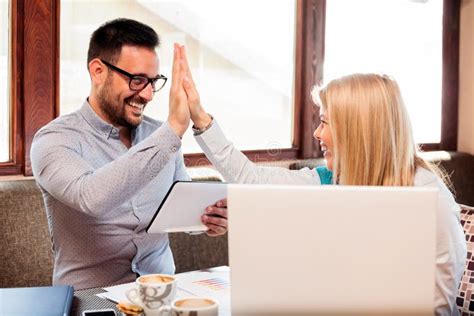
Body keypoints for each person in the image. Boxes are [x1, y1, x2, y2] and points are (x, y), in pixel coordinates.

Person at [175, 56, 466, 316]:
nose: (317, 132)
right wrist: (200, 117)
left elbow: (437, 309)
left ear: (356, 131)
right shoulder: (333, 181)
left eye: (325, 122)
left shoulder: (432, 203)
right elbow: (251, 178)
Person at [30, 18, 227, 290]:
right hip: (90, 297)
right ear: (98, 71)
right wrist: (172, 131)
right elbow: (92, 198)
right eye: (136, 80)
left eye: (153, 81)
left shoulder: (161, 136)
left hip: (162, 292)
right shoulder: (54, 141)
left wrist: (207, 220)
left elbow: (179, 206)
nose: (147, 94)